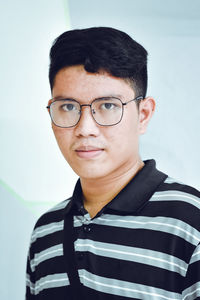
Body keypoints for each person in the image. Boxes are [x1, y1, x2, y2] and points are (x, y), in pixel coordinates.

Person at [26, 27, 200, 300]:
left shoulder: (191, 223)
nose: (85, 129)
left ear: (143, 114)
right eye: (68, 107)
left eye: (107, 106)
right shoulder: (45, 231)